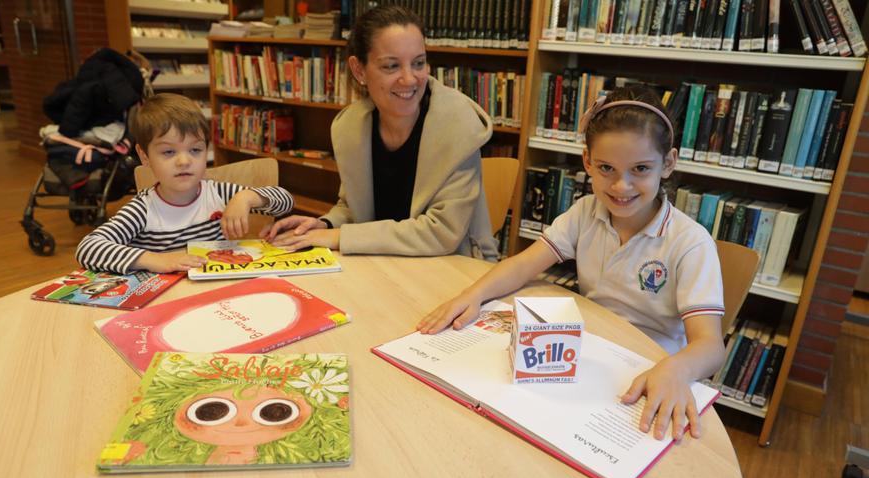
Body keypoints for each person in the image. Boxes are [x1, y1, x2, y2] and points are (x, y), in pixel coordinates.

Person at [418, 86, 726, 443]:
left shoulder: (690, 243)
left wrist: (676, 369)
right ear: (587, 162)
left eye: (640, 169)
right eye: (606, 168)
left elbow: (710, 345)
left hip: (651, 372)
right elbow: (525, 264)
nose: (621, 186)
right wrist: (474, 294)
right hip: (589, 360)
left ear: (668, 164)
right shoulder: (585, 212)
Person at [260, 5, 498, 260]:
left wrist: (339, 237)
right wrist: (324, 225)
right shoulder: (350, 127)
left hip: (454, 267)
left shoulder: (459, 125)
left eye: (418, 63)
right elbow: (353, 207)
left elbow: (441, 233)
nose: (409, 79)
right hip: (383, 263)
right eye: (391, 66)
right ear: (359, 70)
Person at [75, 93, 294, 274]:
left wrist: (247, 198)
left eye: (195, 150)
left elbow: (286, 201)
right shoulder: (143, 209)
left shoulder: (218, 192)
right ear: (145, 156)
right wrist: (156, 260)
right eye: (169, 152)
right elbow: (88, 248)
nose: (184, 161)